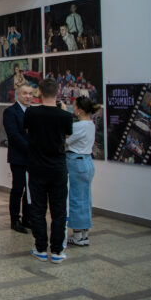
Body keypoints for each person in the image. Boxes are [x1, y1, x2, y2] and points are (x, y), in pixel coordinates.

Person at [24, 78, 73, 263]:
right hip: (58, 167)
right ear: (58, 91)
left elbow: (27, 131)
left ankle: (41, 248)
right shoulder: (65, 116)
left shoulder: (31, 113)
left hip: (37, 167)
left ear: (40, 92)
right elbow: (67, 135)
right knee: (59, 210)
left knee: (38, 209)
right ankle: (58, 251)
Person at [3, 84, 33, 234]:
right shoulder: (10, 112)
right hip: (18, 158)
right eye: (25, 93)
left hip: (32, 159)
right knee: (18, 189)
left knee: (30, 190)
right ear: (18, 95)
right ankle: (15, 220)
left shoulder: (33, 111)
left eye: (30, 94)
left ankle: (28, 218)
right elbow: (13, 135)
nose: (28, 96)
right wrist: (31, 149)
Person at [66, 96, 97, 247]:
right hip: (87, 162)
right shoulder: (91, 124)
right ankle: (84, 234)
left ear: (80, 110)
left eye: (74, 106)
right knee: (85, 198)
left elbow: (65, 141)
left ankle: (77, 235)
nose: (72, 108)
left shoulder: (78, 126)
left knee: (76, 199)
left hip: (76, 163)